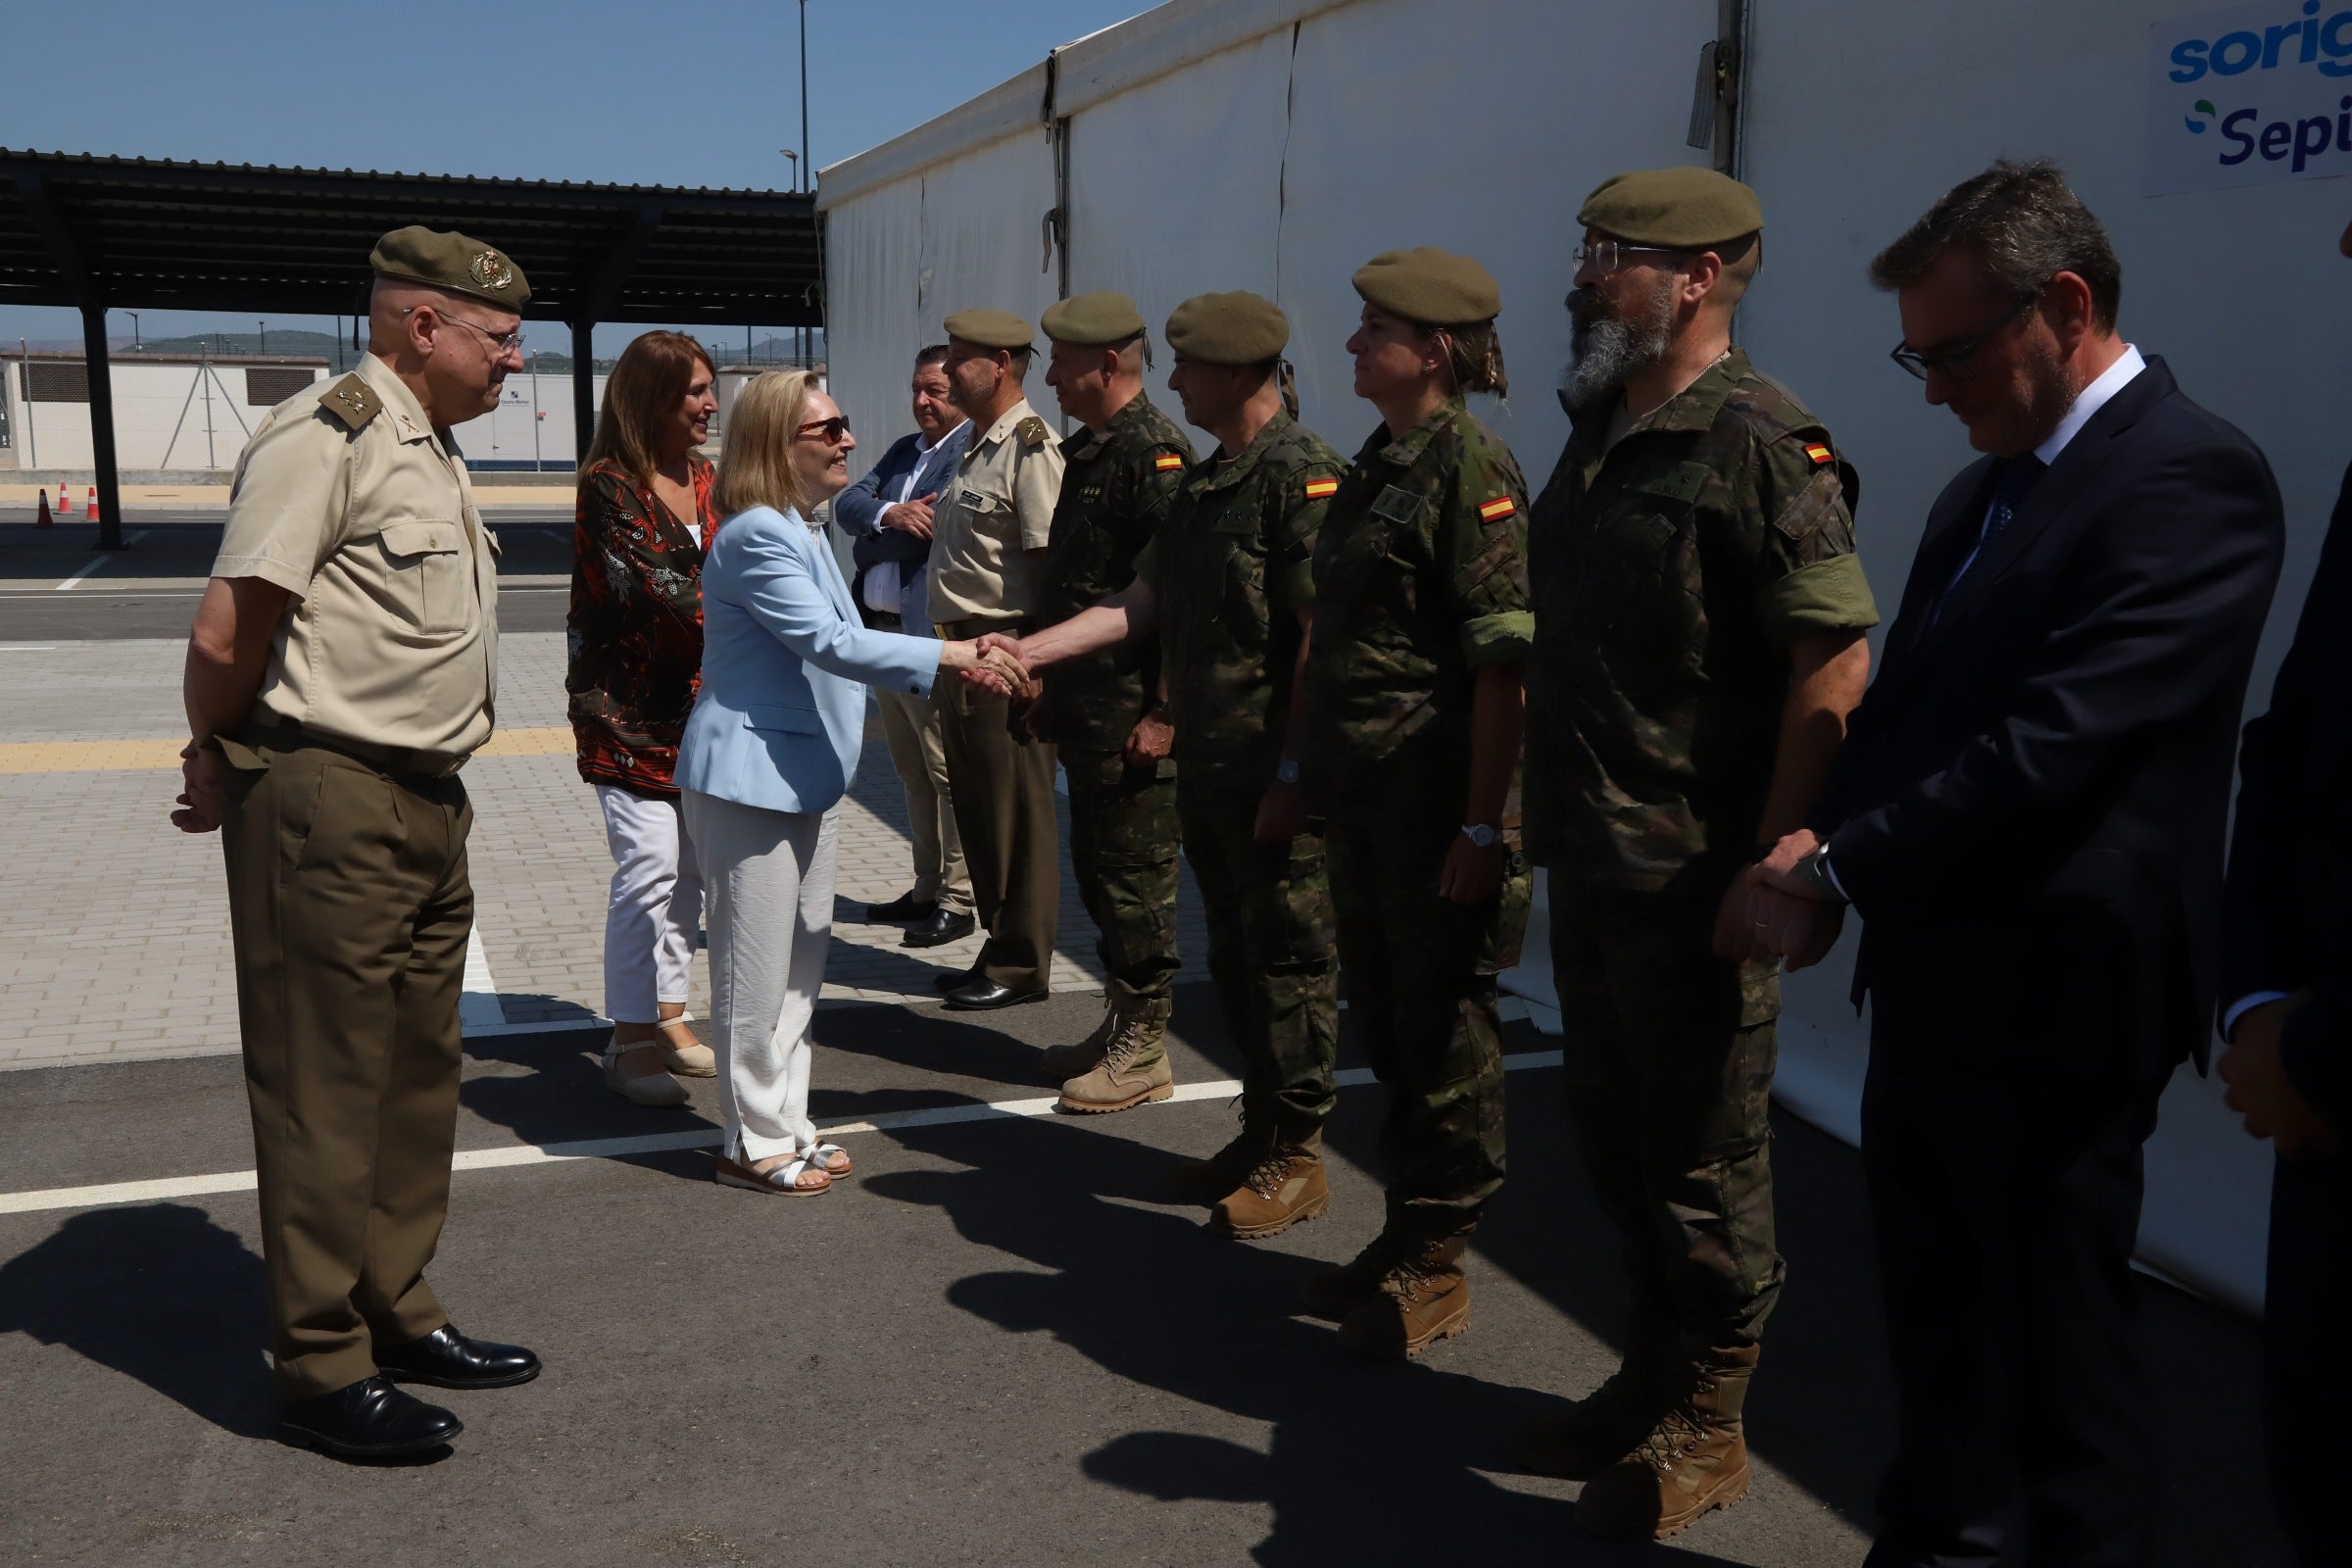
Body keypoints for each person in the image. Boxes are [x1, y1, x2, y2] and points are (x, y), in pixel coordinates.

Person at [1747, 161, 2285, 1567]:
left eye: (1956, 353)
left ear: (2067, 306)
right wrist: (1822, 845)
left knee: (2056, 1365)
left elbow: (2058, 748)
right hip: (1941, 982)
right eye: (1915, 358)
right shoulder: (1981, 493)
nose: (1934, 389)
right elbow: (1910, 717)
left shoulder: (2190, 477)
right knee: (1943, 1334)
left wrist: (1839, 867)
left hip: (2063, 1001)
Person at [1511, 169, 1879, 1542]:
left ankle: (1713, 1418)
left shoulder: (1763, 440)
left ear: (1699, 276)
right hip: (1596, 856)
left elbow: (1832, 657)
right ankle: (1651, 1370)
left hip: (1696, 872)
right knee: (1614, 1140)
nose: (1582, 275)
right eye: (1584, 248)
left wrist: (1783, 855)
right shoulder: (1599, 423)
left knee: (1705, 1163)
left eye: (1609, 253)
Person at [170, 226, 543, 1461]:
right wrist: (213, 748)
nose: (517, 359)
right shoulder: (324, 434)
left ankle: (394, 1305)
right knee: (323, 1091)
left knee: (414, 1081)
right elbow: (229, 629)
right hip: (331, 793)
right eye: (500, 338)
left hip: (428, 798)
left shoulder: (426, 445)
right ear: (422, 327)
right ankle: (320, 1367)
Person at [972, 291, 1344, 1227]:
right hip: (1220, 777)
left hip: (1268, 775)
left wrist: (1293, 773)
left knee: (1289, 970)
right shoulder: (1216, 480)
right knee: (1240, 965)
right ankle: (1262, 1134)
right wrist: (1027, 652)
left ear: (1235, 371)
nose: (1170, 380)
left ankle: (1298, 1158)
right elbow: (1138, 602)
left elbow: (1319, 640)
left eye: (1187, 365)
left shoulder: (1301, 474)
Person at [677, 370, 1013, 1194]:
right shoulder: (757, 534)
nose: (849, 441)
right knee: (755, 972)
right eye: (828, 430)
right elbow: (831, 642)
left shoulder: (797, 526)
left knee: (799, 969)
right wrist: (952, 654)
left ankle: (785, 1119)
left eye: (844, 424)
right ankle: (750, 1140)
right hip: (751, 779)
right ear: (775, 442)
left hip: (802, 775)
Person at [1296, 249, 1534, 1359]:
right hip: (1370, 809)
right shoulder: (1382, 457)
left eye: (1373, 328)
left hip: (1436, 815)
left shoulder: (1468, 462)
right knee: (1392, 1029)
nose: (1351, 343)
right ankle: (1405, 1231)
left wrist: (1486, 825)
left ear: (1434, 349)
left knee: (1445, 1040)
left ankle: (1438, 1258)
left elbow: (1504, 663)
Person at [2214, 210, 2352, 1568]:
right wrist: (2257, 999)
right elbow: (2294, 741)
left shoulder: (2188, 473)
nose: (2348, 241)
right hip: (2318, 1107)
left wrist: (2319, 1047)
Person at [1027, 291, 1194, 1108]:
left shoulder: (1153, 454)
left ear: (1105, 363)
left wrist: (1165, 712)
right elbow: (1075, 584)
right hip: (1090, 710)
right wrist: (1046, 681)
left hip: (1132, 716)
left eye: (1061, 362)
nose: (1050, 377)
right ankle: (1123, 1019)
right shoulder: (1094, 450)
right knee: (1100, 875)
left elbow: (1180, 597)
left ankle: (1146, 1048)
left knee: (1136, 884)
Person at [566, 330, 723, 1108]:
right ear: (651, 399)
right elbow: (665, 593)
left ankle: (666, 1011)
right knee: (650, 867)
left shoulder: (708, 480)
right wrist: (773, 627)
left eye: (709, 388)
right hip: (626, 714)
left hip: (702, 711)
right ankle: (627, 1039)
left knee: (691, 868)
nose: (711, 404)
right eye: (695, 391)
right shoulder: (609, 486)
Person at [924, 309, 1068, 1010]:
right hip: (962, 651)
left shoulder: (1031, 446)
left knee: (1018, 811)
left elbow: (1047, 565)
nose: (948, 369)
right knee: (981, 807)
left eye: (960, 358)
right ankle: (1001, 941)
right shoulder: (976, 443)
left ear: (1002, 363)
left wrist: (1036, 662)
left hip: (1006, 650)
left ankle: (1021, 963)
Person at [833, 345, 976, 950]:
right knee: (911, 771)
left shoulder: (969, 451)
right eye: (916, 389)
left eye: (935, 391)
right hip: (882, 637)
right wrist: (890, 515)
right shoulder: (902, 451)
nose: (922, 401)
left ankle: (959, 898)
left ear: (959, 391)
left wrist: (872, 534)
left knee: (945, 773)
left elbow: (930, 536)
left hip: (926, 640)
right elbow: (847, 503)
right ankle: (925, 887)